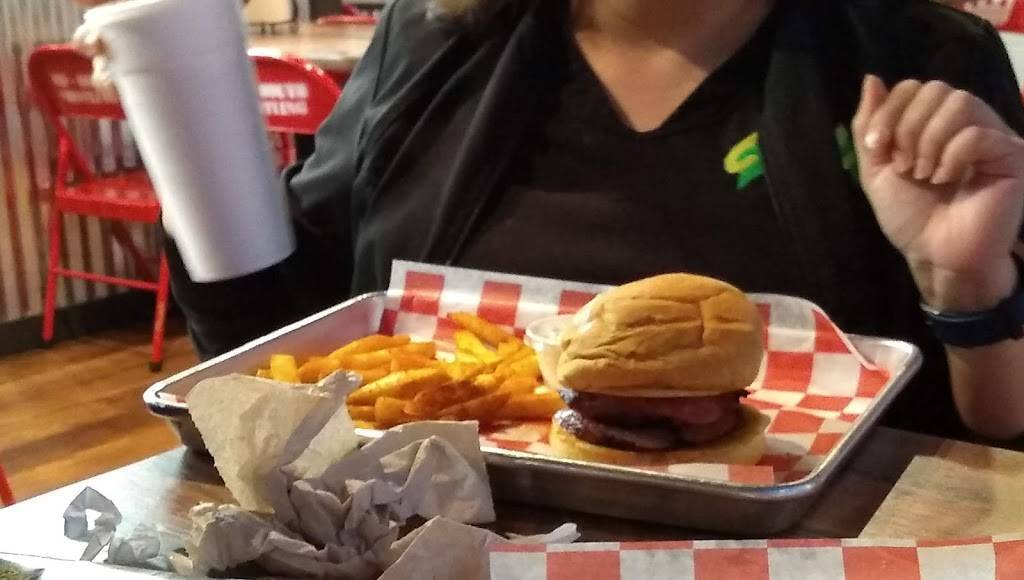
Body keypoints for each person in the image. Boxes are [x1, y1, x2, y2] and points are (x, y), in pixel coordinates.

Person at [75, 0, 1024, 443]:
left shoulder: (923, 60)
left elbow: (991, 456)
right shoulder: (433, 38)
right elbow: (279, 359)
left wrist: (968, 287)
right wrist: (190, 141)